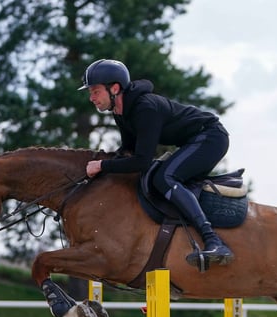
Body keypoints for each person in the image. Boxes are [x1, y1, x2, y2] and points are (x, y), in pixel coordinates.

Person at [79, 59, 234, 267]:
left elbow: (142, 161)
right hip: (195, 141)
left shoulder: (145, 108)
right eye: (91, 93)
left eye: (95, 91)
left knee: (164, 178)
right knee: (157, 177)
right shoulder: (120, 112)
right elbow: (128, 151)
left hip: (211, 138)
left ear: (114, 88)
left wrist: (102, 166)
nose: (91, 98)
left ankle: (214, 241)